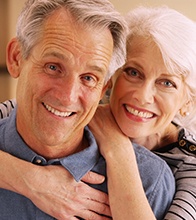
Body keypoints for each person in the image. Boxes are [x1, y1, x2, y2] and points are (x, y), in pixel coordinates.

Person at [0, 1, 175, 220]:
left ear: (103, 88)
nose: (68, 96)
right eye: (53, 67)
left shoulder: (150, 182)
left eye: (89, 78)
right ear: (16, 58)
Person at [90, 6, 196, 220]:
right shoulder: (80, 106)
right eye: (133, 72)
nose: (143, 96)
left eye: (166, 83)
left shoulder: (191, 168)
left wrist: (117, 148)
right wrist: (34, 181)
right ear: (114, 74)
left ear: (188, 102)